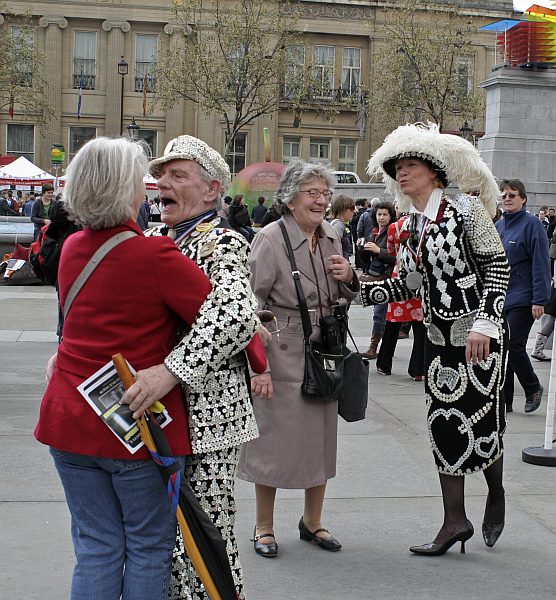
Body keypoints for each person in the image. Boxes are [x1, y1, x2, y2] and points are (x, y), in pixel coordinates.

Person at [34, 136, 213, 600]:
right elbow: (222, 315)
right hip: (132, 424)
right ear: (124, 191)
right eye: (141, 180)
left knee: (96, 547)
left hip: (67, 418)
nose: (148, 187)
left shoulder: (73, 247)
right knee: (149, 545)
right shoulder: (154, 255)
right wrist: (257, 359)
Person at [361, 122, 510, 555]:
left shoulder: (466, 209)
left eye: (410, 165)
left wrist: (486, 324)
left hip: (479, 340)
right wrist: (355, 285)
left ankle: (496, 493)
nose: (401, 174)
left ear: (434, 171)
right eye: (397, 168)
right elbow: (406, 284)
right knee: (443, 428)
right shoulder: (409, 225)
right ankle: (454, 520)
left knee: (484, 426)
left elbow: (497, 268)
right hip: (437, 343)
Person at [128, 135, 261, 599]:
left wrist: (171, 371)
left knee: (205, 535)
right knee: (159, 537)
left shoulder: (222, 241)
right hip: (153, 413)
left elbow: (237, 315)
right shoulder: (150, 238)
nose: (162, 182)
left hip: (209, 418)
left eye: (178, 174)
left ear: (211, 190)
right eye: (161, 173)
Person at [237, 160, 359, 558]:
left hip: (325, 348)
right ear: (290, 199)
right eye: (313, 193)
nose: (322, 200)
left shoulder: (331, 237)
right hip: (281, 348)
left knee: (320, 440)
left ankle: (313, 522)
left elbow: (344, 296)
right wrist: (260, 366)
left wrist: (349, 277)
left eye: (325, 193)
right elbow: (251, 306)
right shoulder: (270, 238)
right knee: (272, 442)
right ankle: (264, 526)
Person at [495, 179, 550, 413]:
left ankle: (532, 386)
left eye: (513, 195)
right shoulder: (499, 226)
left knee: (513, 345)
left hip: (524, 297)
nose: (507, 198)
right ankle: (504, 401)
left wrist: (540, 300)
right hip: (501, 297)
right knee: (501, 348)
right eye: (505, 195)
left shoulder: (532, 225)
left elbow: (541, 263)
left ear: (523, 199)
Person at [376, 212, 426, 380]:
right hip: (420, 278)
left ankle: (384, 364)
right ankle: (418, 369)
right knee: (420, 324)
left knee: (392, 322)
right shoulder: (426, 225)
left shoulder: (395, 227)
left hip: (400, 274)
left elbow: (391, 250)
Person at [361, 201, 396, 359]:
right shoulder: (374, 231)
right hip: (375, 275)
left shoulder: (392, 231)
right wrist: (362, 247)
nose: (382, 217)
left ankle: (373, 347)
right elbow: (365, 259)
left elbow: (395, 256)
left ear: (390, 216)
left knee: (379, 314)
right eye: (379, 214)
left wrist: (378, 250)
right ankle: (382, 347)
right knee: (380, 314)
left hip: (386, 277)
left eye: (385, 214)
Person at [329, 194, 356, 260]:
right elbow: (335, 248)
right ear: (343, 209)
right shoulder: (338, 225)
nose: (354, 211)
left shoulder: (337, 224)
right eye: (352, 208)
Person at [350, 198, 368, 269]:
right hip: (363, 234)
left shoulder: (360, 213)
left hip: (357, 235)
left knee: (358, 249)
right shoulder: (365, 213)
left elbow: (354, 223)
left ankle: (359, 264)